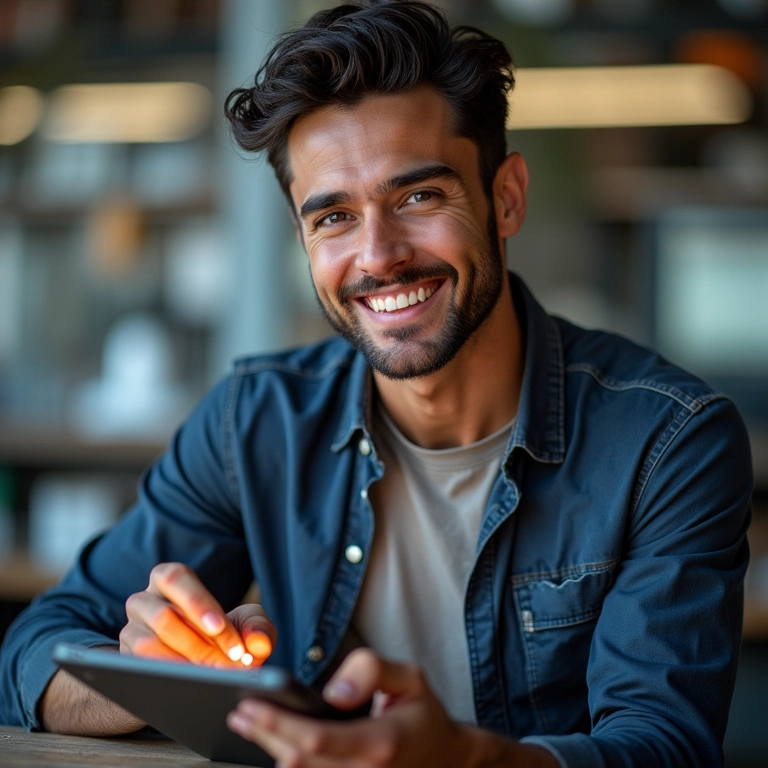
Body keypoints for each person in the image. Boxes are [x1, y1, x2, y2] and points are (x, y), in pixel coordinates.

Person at [0, 2, 753, 766]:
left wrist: (457, 760)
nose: (378, 255)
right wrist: (149, 678)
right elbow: (31, 652)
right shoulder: (256, 421)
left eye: (418, 197)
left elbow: (664, 747)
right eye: (333, 217)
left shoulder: (666, 443)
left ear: (506, 197)